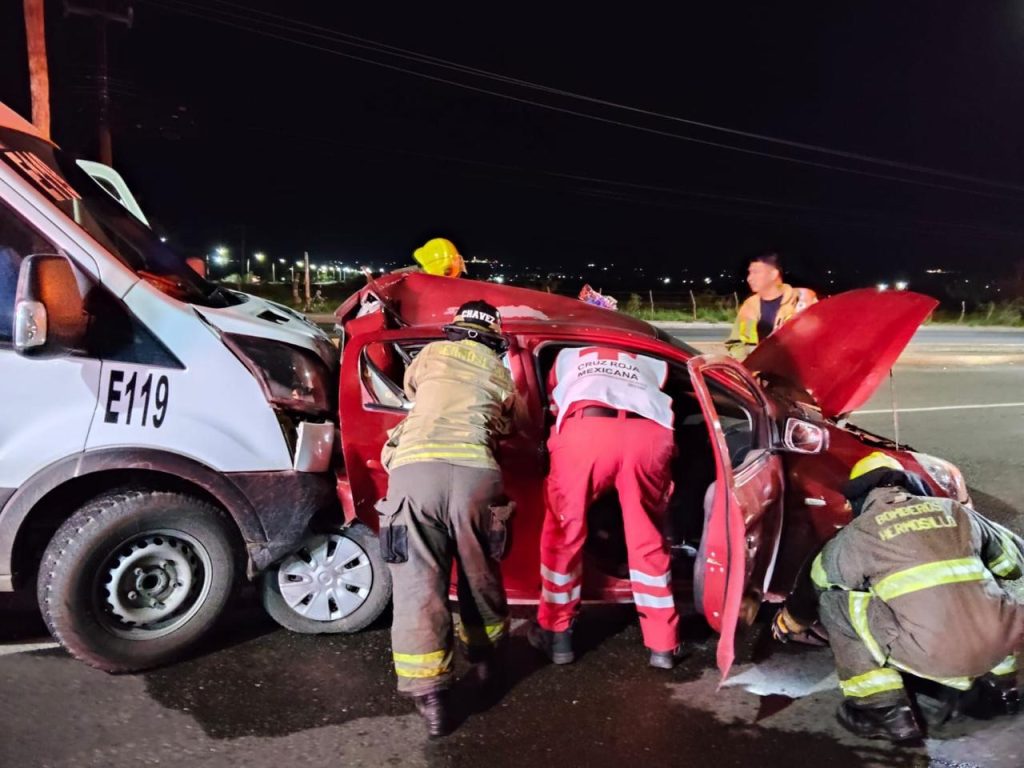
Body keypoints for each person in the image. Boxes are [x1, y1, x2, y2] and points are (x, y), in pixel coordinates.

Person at [772, 452, 1024, 743]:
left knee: (834, 603)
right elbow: (1013, 563)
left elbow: (814, 584)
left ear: (859, 497)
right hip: (1005, 642)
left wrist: (792, 619)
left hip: (936, 654)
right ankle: (1003, 687)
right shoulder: (954, 510)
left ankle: (885, 711)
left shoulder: (857, 534)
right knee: (985, 585)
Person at [376, 300, 518, 736]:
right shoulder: (501, 372)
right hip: (476, 475)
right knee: (479, 576)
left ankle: (432, 698)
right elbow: (512, 425)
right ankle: (486, 663)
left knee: (417, 586)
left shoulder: (430, 354)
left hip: (415, 474)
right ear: (494, 338)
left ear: (455, 329)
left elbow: (411, 392)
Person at [528, 345, 683, 669]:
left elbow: (553, 406)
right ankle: (663, 645)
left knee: (564, 535)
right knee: (647, 539)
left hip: (587, 432)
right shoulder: (650, 359)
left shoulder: (567, 356)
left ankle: (558, 636)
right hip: (647, 435)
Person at [725, 252, 817, 361]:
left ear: (774, 274)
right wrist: (747, 363)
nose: (749, 278)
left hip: (799, 366)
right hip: (763, 368)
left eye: (756, 272)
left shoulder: (802, 299)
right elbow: (738, 343)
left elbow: (820, 336)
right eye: (749, 273)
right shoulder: (750, 307)